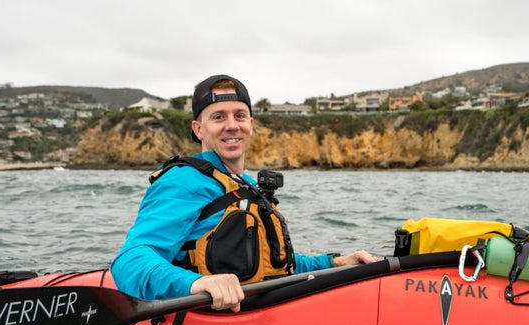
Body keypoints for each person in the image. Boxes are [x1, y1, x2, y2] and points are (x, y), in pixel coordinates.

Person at [111, 74, 377, 312]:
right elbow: (129, 261)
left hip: (265, 307)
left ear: (250, 123)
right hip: (209, 318)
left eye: (239, 115)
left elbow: (274, 264)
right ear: (198, 128)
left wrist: (335, 263)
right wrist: (198, 284)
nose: (232, 125)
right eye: (218, 117)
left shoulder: (246, 185)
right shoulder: (184, 181)